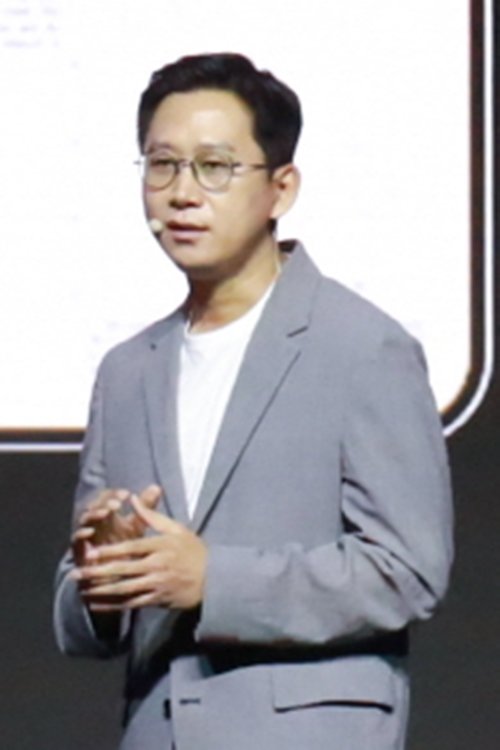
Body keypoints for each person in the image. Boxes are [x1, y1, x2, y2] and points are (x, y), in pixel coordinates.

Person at [54, 52, 453, 750]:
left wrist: (214, 580)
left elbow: (408, 570)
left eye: (215, 166)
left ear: (281, 187)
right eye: (162, 165)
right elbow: (80, 614)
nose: (183, 193)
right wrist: (100, 579)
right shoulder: (126, 372)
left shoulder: (363, 347)